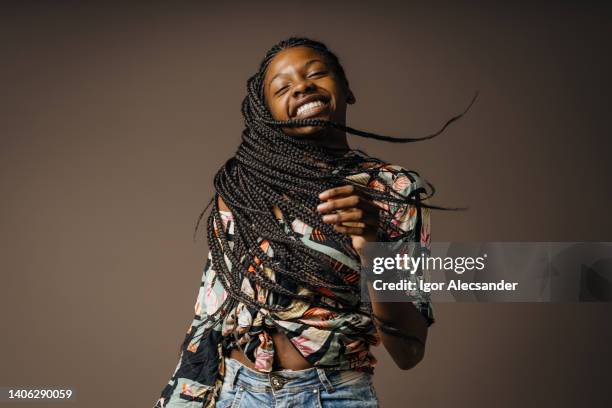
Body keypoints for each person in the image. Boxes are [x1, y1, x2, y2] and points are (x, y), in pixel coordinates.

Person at [153, 37, 473, 408]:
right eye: (282, 87)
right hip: (233, 392)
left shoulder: (394, 190)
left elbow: (408, 351)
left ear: (347, 90)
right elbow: (209, 317)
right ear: (267, 111)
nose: (302, 87)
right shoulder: (243, 186)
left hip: (333, 394)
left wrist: (372, 245)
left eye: (316, 73)